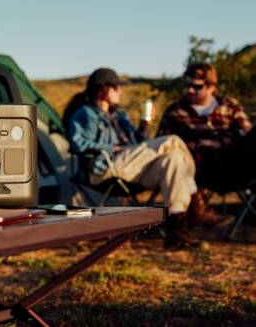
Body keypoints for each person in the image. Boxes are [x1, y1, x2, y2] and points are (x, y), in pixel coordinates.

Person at [67, 68, 199, 248]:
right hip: (106, 167)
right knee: (173, 141)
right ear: (104, 89)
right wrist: (112, 148)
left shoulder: (119, 115)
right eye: (117, 87)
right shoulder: (85, 113)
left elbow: (139, 144)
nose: (120, 91)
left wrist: (144, 126)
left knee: (173, 158)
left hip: (130, 167)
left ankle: (176, 228)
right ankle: (196, 198)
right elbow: (77, 144)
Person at [157, 63, 254, 226]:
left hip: (234, 163)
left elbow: (246, 132)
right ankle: (195, 212)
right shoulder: (176, 111)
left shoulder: (229, 106)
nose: (190, 90)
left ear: (211, 87)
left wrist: (217, 142)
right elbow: (162, 141)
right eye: (187, 85)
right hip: (198, 169)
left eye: (196, 86)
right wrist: (193, 144)